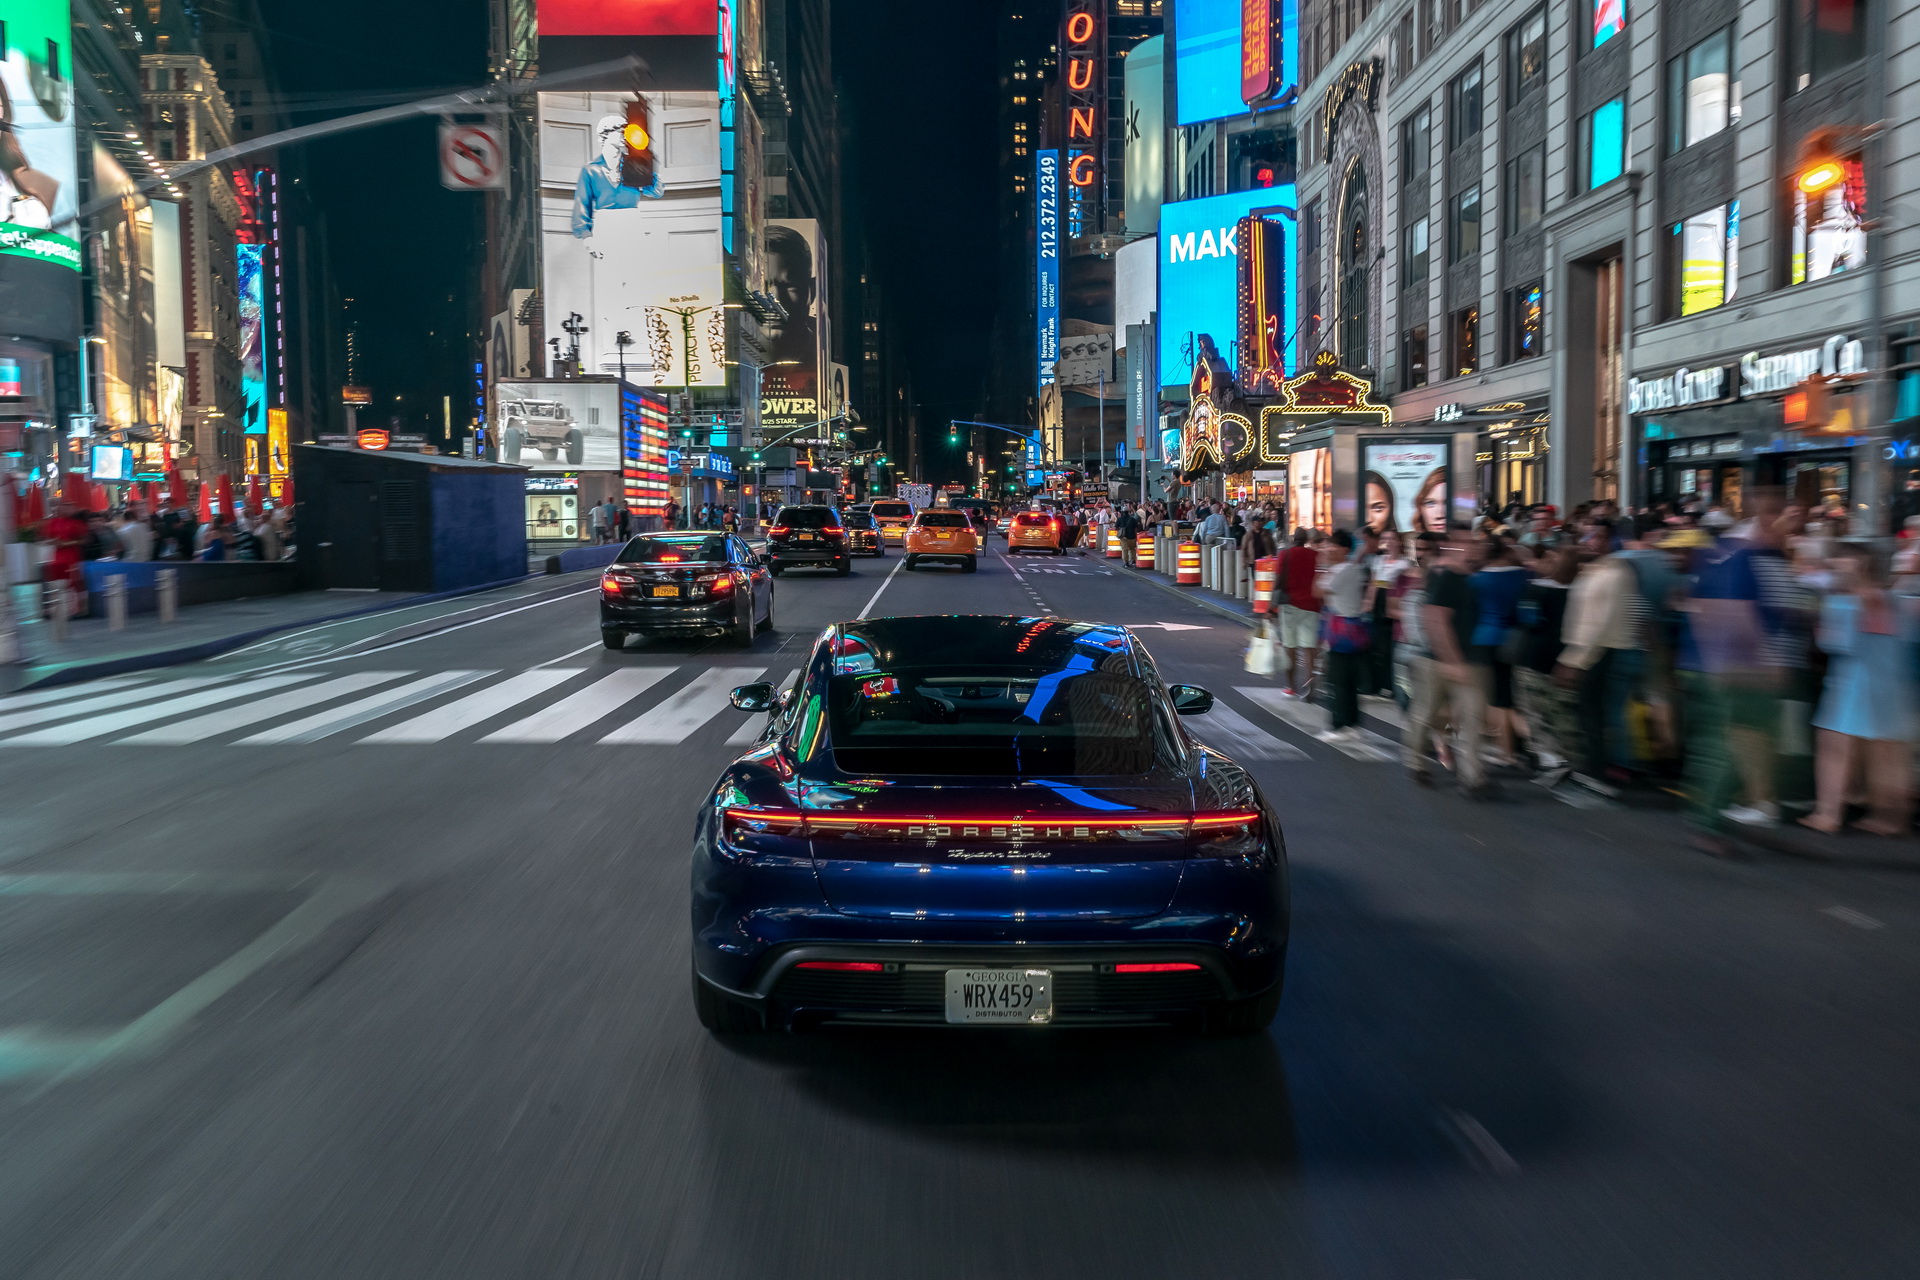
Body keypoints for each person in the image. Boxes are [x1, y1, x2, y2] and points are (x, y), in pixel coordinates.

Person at [1799, 544, 1919, 834]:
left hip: (1852, 684)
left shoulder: (1846, 602)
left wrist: (1820, 627)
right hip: (1893, 683)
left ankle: (1828, 814)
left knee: (1834, 749)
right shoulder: (1899, 600)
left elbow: (1836, 643)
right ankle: (1891, 818)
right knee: (1887, 752)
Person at [1407, 527, 1491, 797]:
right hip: (1440, 661)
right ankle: (1415, 761)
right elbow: (1435, 618)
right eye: (1466, 542)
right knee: (1426, 713)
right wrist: (1451, 660)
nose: (1473, 546)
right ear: (1453, 545)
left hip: (1471, 660)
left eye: (1474, 542)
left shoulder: (1471, 577)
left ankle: (1472, 777)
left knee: (1471, 719)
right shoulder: (1449, 578)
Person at [1512, 545, 1581, 786]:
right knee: (1561, 711)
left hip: (1533, 657)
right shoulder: (1580, 591)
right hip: (1565, 657)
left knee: (1533, 710)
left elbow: (1528, 620)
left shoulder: (1535, 589)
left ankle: (1550, 758)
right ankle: (1570, 757)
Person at [1469, 538, 1531, 767]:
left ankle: (1508, 751)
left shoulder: (1478, 580)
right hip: (1515, 639)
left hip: (1485, 639)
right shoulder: (1523, 575)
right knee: (1509, 696)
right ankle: (1521, 746)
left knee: (1496, 700)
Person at [1318, 529, 1373, 742]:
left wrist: (1323, 564)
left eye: (1331, 545)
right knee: (1350, 681)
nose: (1328, 549)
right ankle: (1353, 724)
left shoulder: (1340, 571)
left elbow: (1318, 591)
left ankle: (1339, 725)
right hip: (1354, 631)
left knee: (1338, 680)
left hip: (1341, 633)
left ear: (1343, 548)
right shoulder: (1355, 569)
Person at [1275, 527, 1323, 699]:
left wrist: (1271, 607)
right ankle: (1309, 681)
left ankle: (1291, 686)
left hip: (1290, 605)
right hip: (1311, 605)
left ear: (1293, 538)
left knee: (1290, 647)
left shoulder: (1285, 554)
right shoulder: (1314, 555)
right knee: (1309, 648)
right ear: (1306, 540)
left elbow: (1279, 579)